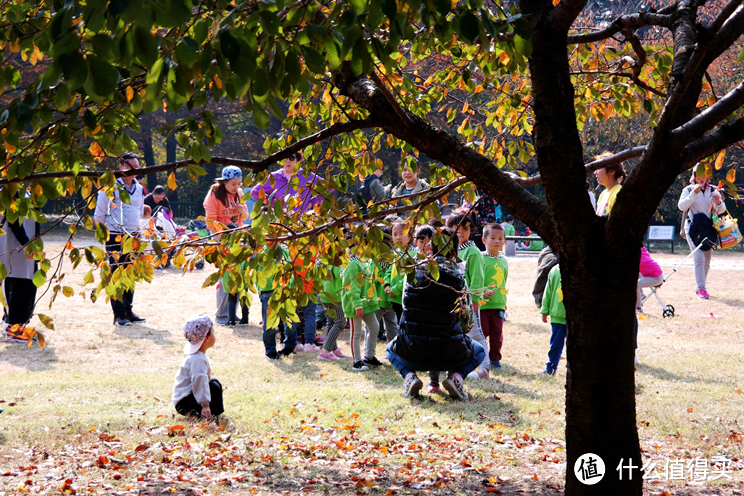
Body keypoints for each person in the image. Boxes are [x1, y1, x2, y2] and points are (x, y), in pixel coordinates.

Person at [386, 227, 485, 400]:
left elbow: (405, 310)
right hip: (450, 354)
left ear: (430, 249)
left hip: (413, 352)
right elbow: (467, 324)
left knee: (389, 349)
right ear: (454, 253)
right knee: (480, 351)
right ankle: (456, 377)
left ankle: (409, 376)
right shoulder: (460, 280)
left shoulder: (412, 274)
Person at [93, 152, 147, 327]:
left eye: (136, 167)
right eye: (129, 166)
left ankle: (128, 310)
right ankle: (119, 314)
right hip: (115, 235)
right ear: (121, 167)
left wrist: (136, 232)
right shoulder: (111, 186)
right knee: (117, 273)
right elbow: (99, 215)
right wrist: (108, 232)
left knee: (130, 273)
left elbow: (139, 211)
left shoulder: (138, 188)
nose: (133, 170)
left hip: (134, 235)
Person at [445, 212, 490, 378]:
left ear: (471, 230)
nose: (459, 231)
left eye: (464, 228)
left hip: (469, 301)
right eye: (455, 227)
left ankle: (485, 367)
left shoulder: (473, 252)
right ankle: (466, 363)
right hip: (454, 301)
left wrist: (475, 300)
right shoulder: (451, 249)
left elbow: (477, 278)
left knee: (475, 333)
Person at [203, 166, 248, 325]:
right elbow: (211, 221)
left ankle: (231, 314)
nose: (237, 187)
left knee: (238, 276)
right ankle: (221, 315)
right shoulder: (214, 195)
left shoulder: (239, 193)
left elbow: (245, 216)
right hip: (223, 240)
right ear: (224, 182)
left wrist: (241, 210)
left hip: (238, 240)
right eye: (233, 184)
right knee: (225, 278)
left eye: (239, 183)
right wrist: (219, 240)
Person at [678, 163, 726, 299]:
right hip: (692, 229)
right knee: (698, 257)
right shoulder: (688, 190)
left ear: (708, 176)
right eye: (699, 174)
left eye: (705, 174)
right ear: (694, 176)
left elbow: (721, 209)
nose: (702, 177)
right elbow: (682, 206)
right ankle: (701, 288)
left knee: (706, 260)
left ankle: (701, 286)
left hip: (709, 229)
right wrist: (694, 193)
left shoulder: (713, 190)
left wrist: (718, 202)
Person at [0, 194, 40, 341]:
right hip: (16, 246)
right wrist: (26, 243)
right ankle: (14, 330)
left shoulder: (21, 190)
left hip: (21, 245)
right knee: (22, 285)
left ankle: (11, 324)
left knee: (17, 283)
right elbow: (13, 220)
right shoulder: (12, 191)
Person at [341, 235, 381, 372]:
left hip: (366, 304)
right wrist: (357, 305)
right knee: (356, 333)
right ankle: (356, 362)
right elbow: (352, 288)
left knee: (375, 327)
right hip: (355, 305)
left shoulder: (364, 262)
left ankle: (369, 357)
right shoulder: (352, 265)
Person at [172, 314, 224, 419]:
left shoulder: (197, 357)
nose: (215, 334)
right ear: (206, 338)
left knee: (214, 383)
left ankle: (214, 413)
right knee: (214, 386)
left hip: (186, 400)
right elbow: (199, 381)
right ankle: (209, 413)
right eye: (213, 332)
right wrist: (205, 405)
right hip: (185, 403)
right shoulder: (198, 359)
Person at [254, 242, 298, 360]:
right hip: (272, 291)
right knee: (276, 322)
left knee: (286, 320)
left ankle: (285, 347)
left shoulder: (281, 250)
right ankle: (275, 350)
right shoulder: (263, 252)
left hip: (280, 289)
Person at [251, 151, 325, 213]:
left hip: (302, 221)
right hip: (282, 222)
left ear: (297, 160)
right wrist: (273, 203)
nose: (288, 161)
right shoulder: (274, 177)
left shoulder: (307, 175)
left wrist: (313, 202)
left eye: (291, 158)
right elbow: (255, 192)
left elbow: (328, 187)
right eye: (284, 158)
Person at [480, 223, 509, 370]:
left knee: (497, 335)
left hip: (498, 304)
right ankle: (480, 357)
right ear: (484, 240)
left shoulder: (504, 260)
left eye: (500, 238)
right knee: (482, 332)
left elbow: (504, 280)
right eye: (493, 238)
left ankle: (495, 359)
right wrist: (481, 291)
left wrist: (504, 303)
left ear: (504, 241)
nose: (497, 241)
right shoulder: (479, 258)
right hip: (482, 304)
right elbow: (474, 280)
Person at [317, 260, 351, 362]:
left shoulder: (321, 257)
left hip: (324, 294)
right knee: (341, 322)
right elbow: (340, 274)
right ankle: (326, 350)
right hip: (334, 296)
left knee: (331, 322)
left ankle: (333, 348)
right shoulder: (336, 259)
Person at [539, 265, 565, 376]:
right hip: (558, 314)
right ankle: (551, 367)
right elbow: (548, 291)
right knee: (555, 344)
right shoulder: (555, 270)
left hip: (579, 317)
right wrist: (545, 309)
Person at [593, 152, 625, 217]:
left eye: (598, 168)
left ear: (612, 171)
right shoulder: (602, 195)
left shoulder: (619, 192)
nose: (595, 172)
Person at [637, 247, 663, 314]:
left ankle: (638, 308)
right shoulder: (642, 252)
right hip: (651, 274)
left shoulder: (639, 257)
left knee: (636, 285)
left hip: (656, 278)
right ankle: (641, 294)